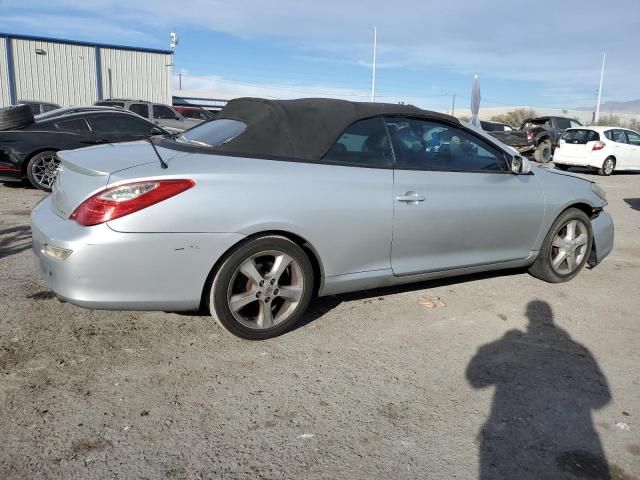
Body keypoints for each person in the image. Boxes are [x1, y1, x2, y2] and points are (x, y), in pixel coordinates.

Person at [466, 300, 611, 479]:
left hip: (513, 434)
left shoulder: (518, 343)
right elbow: (602, 399)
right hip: (570, 435)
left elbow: (475, 380)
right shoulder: (578, 348)